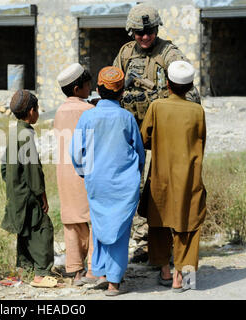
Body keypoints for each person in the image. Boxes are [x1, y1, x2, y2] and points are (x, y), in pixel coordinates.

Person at [113, 3, 201, 263]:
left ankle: (167, 248)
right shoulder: (126, 53)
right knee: (134, 189)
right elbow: (111, 86)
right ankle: (144, 242)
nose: (145, 37)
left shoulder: (169, 53)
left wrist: (158, 98)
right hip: (132, 134)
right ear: (132, 32)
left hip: (162, 135)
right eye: (139, 33)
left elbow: (191, 94)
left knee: (162, 191)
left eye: (149, 31)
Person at [70, 66, 145, 296]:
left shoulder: (87, 116)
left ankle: (102, 272)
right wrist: (135, 174)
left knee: (101, 224)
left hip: (97, 182)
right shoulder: (127, 118)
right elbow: (139, 153)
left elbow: (76, 152)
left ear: (98, 90)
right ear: (121, 92)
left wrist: (86, 174)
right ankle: (113, 282)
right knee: (120, 230)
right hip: (124, 184)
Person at [139, 61, 206, 292]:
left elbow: (144, 139)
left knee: (158, 222)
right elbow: (201, 143)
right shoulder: (198, 110)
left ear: (167, 84)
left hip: (161, 176)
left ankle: (165, 272)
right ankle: (183, 278)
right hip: (189, 177)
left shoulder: (157, 107)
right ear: (190, 87)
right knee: (188, 222)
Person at [0, 89, 56, 288]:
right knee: (42, 227)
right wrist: (42, 195)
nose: (38, 112)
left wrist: (12, 184)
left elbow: (5, 167)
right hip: (28, 193)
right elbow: (33, 170)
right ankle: (41, 273)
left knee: (25, 229)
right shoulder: (26, 135)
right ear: (31, 111)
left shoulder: (15, 131)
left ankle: (25, 268)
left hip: (15, 191)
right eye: (38, 109)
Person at [54, 63, 98, 286]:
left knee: (72, 222)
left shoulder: (59, 111)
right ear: (77, 88)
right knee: (92, 219)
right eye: (88, 85)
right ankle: (92, 268)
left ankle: (75, 271)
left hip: (64, 173)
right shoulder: (89, 111)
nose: (91, 88)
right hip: (85, 173)